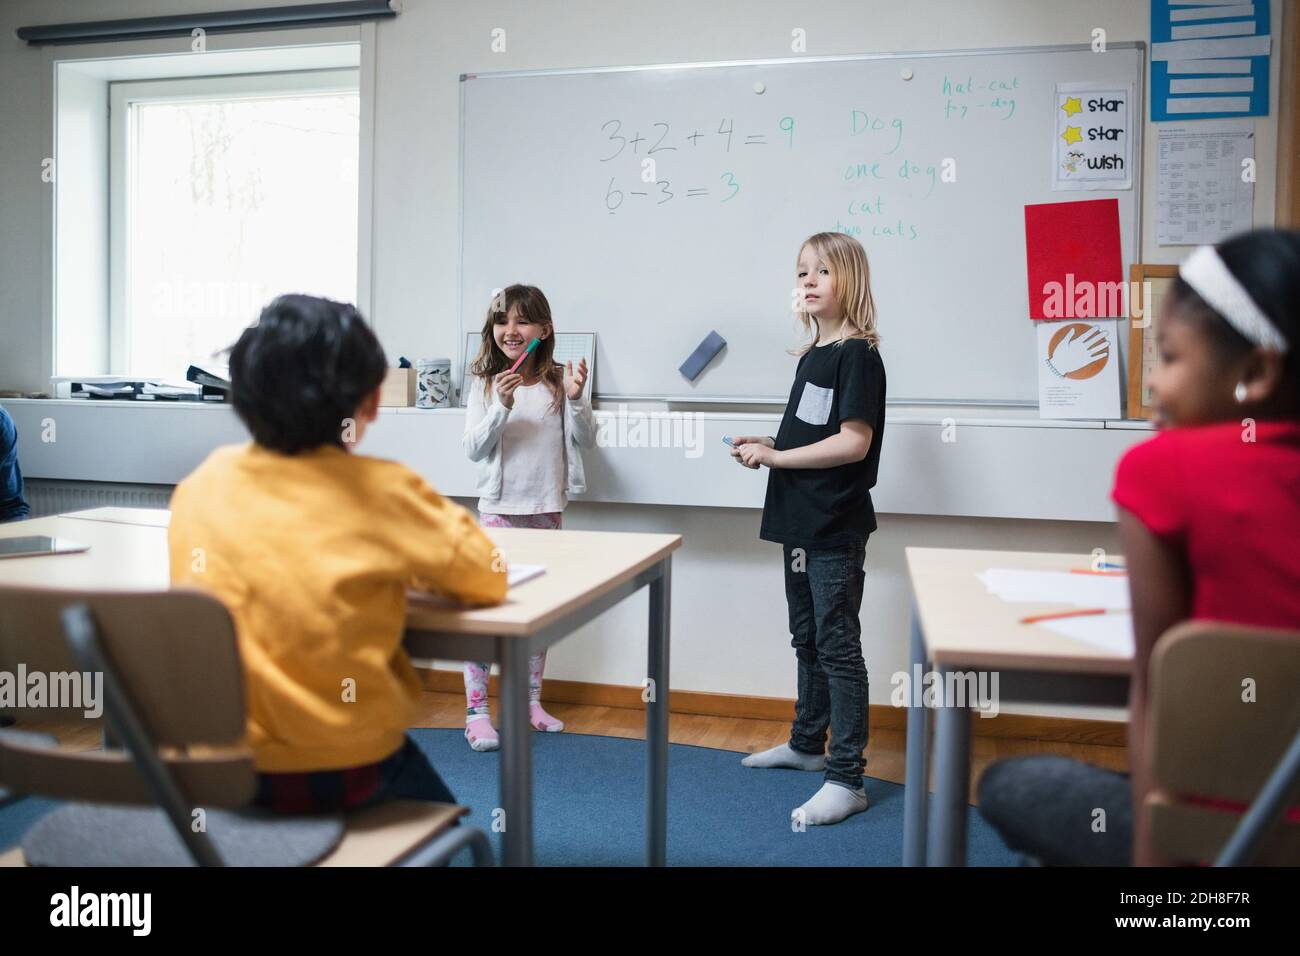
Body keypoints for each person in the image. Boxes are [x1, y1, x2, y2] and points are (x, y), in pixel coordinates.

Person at [169, 294, 507, 812]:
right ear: (370, 402)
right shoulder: (384, 490)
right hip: (343, 770)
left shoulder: (198, 486)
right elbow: (487, 576)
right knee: (454, 831)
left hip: (213, 778)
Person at [732, 232, 887, 826]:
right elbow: (810, 435)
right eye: (802, 272)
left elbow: (853, 442)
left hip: (834, 527)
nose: (809, 281)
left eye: (823, 270)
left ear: (851, 280)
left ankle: (847, 777)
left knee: (838, 644)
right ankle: (805, 744)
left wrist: (776, 460)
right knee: (808, 639)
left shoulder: (858, 355)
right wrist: (769, 444)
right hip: (798, 522)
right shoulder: (813, 357)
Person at [460, 284, 595, 751]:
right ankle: (476, 712)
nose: (510, 331)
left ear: (544, 329)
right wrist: (501, 406)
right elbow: (474, 448)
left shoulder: (559, 380)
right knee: (486, 615)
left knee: (538, 615)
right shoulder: (484, 383)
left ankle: (529, 701)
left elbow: (587, 439)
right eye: (501, 321)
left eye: (522, 321)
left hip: (547, 512)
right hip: (499, 513)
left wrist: (577, 398)